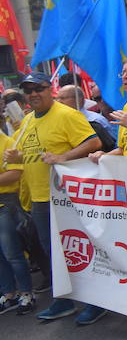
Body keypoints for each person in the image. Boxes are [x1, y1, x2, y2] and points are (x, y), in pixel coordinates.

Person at [4, 73, 101, 322]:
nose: (34, 94)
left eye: (39, 88)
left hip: (66, 197)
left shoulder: (67, 115)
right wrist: (17, 158)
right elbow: (30, 156)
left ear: (51, 90)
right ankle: (64, 301)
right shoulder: (27, 121)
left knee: (78, 249)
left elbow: (93, 142)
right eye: (29, 90)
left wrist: (64, 157)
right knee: (52, 253)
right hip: (39, 198)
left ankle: (96, 302)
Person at [0, 126, 30, 315]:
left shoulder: (8, 143)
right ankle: (9, 293)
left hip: (6, 203)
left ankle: (27, 292)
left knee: (12, 252)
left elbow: (15, 173)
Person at [56, 85, 116, 152]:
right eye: (57, 98)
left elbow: (112, 146)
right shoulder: (58, 121)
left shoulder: (96, 120)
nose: (58, 102)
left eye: (63, 98)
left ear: (79, 99)